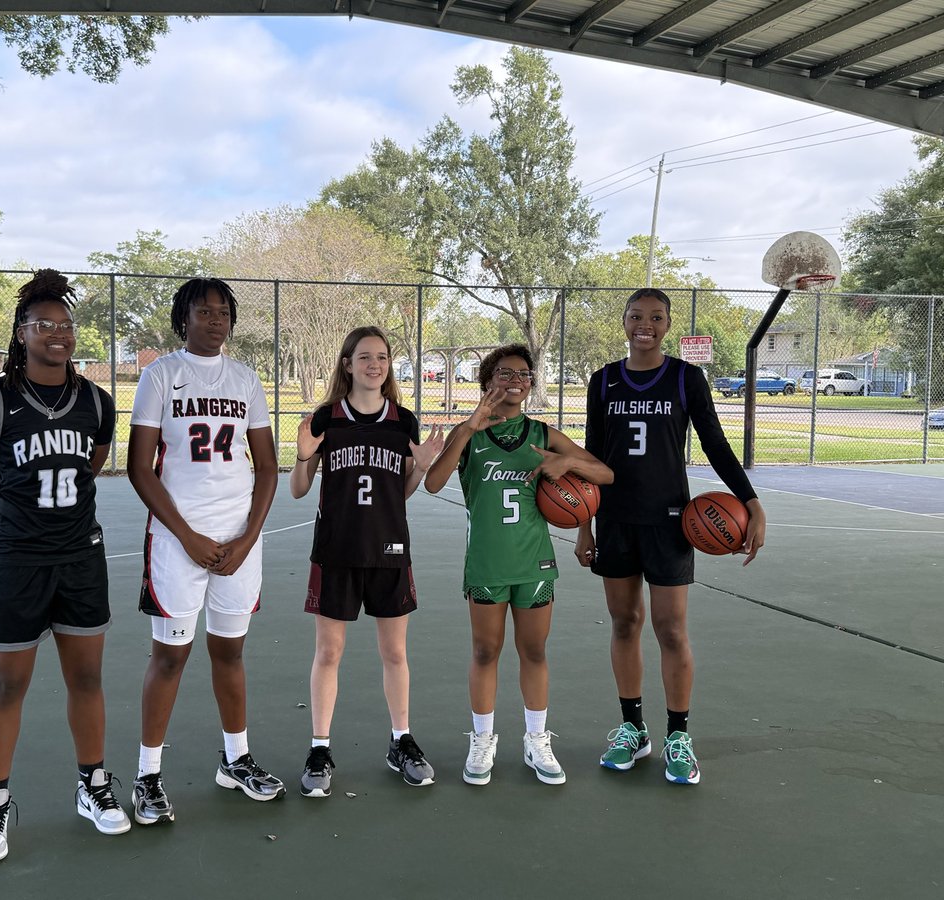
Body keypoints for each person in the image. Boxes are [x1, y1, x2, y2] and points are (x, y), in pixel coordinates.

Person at [0, 269, 126, 864]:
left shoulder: (96, 402)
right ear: (22, 332)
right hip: (17, 562)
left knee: (86, 679)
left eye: (65, 325)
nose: (57, 334)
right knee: (8, 685)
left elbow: (93, 465)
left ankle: (93, 785)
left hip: (81, 558)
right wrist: (22, 527)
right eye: (43, 325)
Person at [576, 287, 767, 785]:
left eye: (656, 317)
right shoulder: (602, 382)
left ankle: (678, 734)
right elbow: (592, 460)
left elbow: (716, 444)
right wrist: (583, 526)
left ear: (667, 324)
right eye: (637, 316)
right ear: (623, 321)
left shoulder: (686, 378)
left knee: (671, 629)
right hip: (616, 520)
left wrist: (750, 501)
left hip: (670, 521)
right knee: (623, 623)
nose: (646, 325)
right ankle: (633, 729)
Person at [127, 277, 283, 825]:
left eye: (223, 312)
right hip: (177, 539)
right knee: (170, 656)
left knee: (231, 652)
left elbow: (267, 467)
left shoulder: (245, 379)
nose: (215, 320)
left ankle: (235, 760)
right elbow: (138, 469)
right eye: (204, 311)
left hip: (238, 539)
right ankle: (147, 774)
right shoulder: (161, 375)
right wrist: (188, 535)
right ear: (183, 318)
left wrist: (247, 537)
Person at [424, 344, 613, 787]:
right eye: (505, 373)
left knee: (534, 651)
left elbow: (606, 474)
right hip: (488, 563)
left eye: (524, 374)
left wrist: (568, 461)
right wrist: (468, 429)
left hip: (535, 563)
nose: (515, 381)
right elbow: (433, 483)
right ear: (488, 380)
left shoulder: (543, 434)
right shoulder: (469, 434)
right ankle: (483, 738)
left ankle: (536, 739)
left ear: (531, 383)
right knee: (485, 651)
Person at [289, 326, 445, 797]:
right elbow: (299, 489)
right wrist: (301, 458)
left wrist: (419, 464)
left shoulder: (404, 422)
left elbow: (402, 493)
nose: (374, 365)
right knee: (329, 652)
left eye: (381, 357)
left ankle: (401, 740)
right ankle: (319, 748)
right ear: (347, 364)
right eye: (364, 357)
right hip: (336, 550)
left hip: (389, 550)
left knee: (395, 652)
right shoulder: (324, 418)